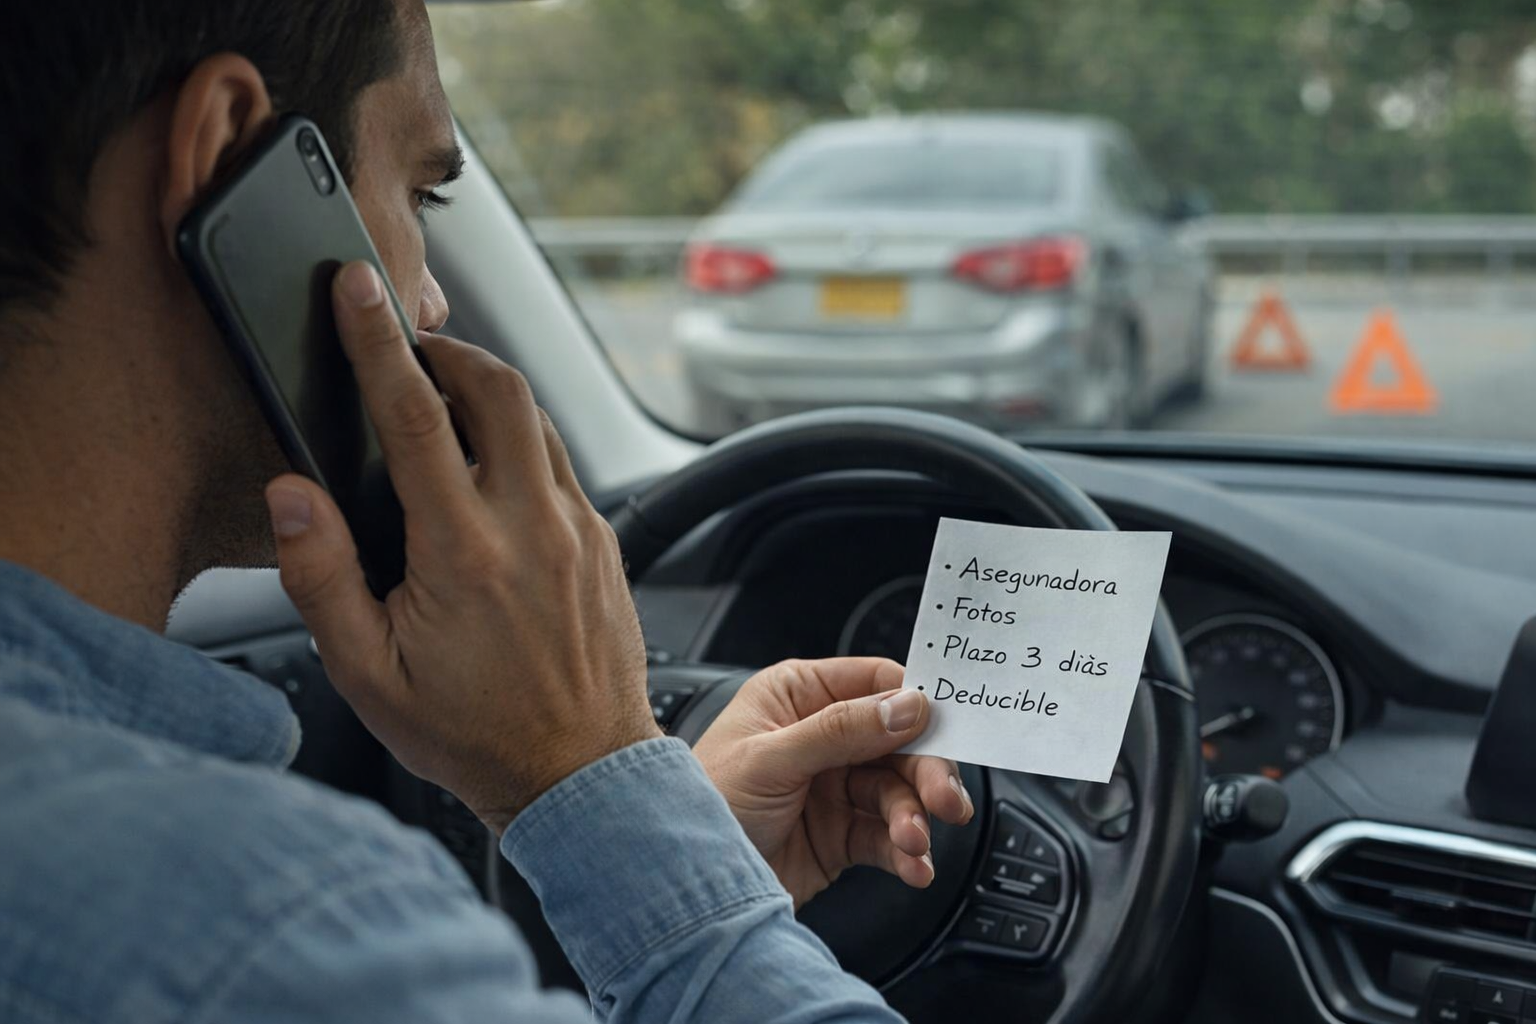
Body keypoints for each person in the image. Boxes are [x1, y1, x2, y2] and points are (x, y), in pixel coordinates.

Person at [0, 1, 976, 1021]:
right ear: (224, 156)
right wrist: (605, 785)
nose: (429, 305)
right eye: (422, 196)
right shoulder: (265, 939)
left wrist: (652, 850)